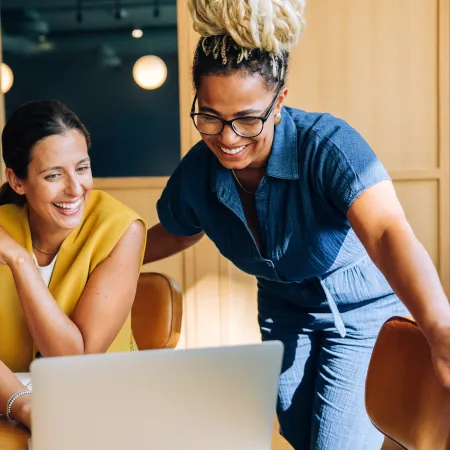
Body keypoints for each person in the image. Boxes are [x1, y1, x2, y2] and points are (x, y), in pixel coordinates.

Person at [143, 1, 450, 448]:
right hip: (283, 313)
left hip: (361, 315)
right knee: (297, 436)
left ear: (279, 101)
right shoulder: (199, 170)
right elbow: (180, 227)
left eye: (248, 119)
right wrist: (97, 260)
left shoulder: (328, 146)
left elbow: (386, 232)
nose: (227, 139)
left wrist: (440, 327)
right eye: (210, 116)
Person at [0, 100, 146, 430]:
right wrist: (20, 405)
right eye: (53, 174)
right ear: (17, 181)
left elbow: (74, 364)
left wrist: (20, 261)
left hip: (107, 414)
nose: (75, 188)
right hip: (8, 411)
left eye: (82, 168)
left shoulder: (121, 228)